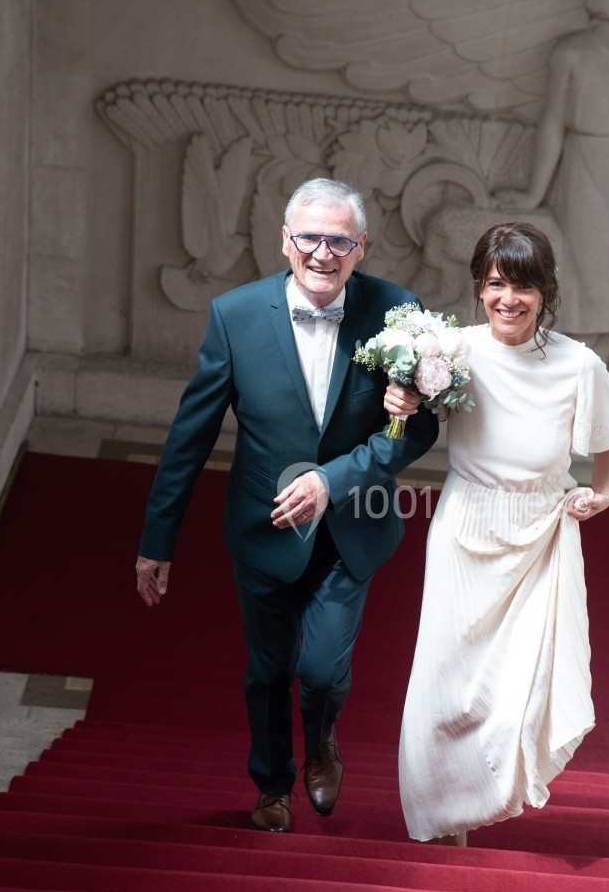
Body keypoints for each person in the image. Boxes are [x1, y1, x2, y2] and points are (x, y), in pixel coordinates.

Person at [136, 178, 439, 833]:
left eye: (339, 241)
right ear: (284, 241)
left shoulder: (399, 313)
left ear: (361, 247)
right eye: (309, 238)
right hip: (264, 524)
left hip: (352, 524)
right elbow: (190, 437)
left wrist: (333, 480)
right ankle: (272, 785)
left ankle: (323, 735)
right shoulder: (235, 315)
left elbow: (415, 430)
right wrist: (158, 540)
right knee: (269, 668)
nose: (323, 253)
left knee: (322, 669)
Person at [388, 223, 609, 845]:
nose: (509, 299)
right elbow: (407, 404)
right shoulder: (451, 350)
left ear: (545, 292)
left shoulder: (577, 364)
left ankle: (485, 797)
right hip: (465, 525)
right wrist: (399, 399)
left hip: (539, 534)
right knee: (445, 677)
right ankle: (441, 813)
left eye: (524, 286)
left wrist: (604, 491)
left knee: (517, 682)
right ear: (479, 288)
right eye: (496, 284)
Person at [496, 0, 609, 363]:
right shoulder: (571, 52)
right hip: (584, 170)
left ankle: (593, 369)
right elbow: (553, 122)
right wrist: (535, 193)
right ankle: (574, 367)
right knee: (588, 276)